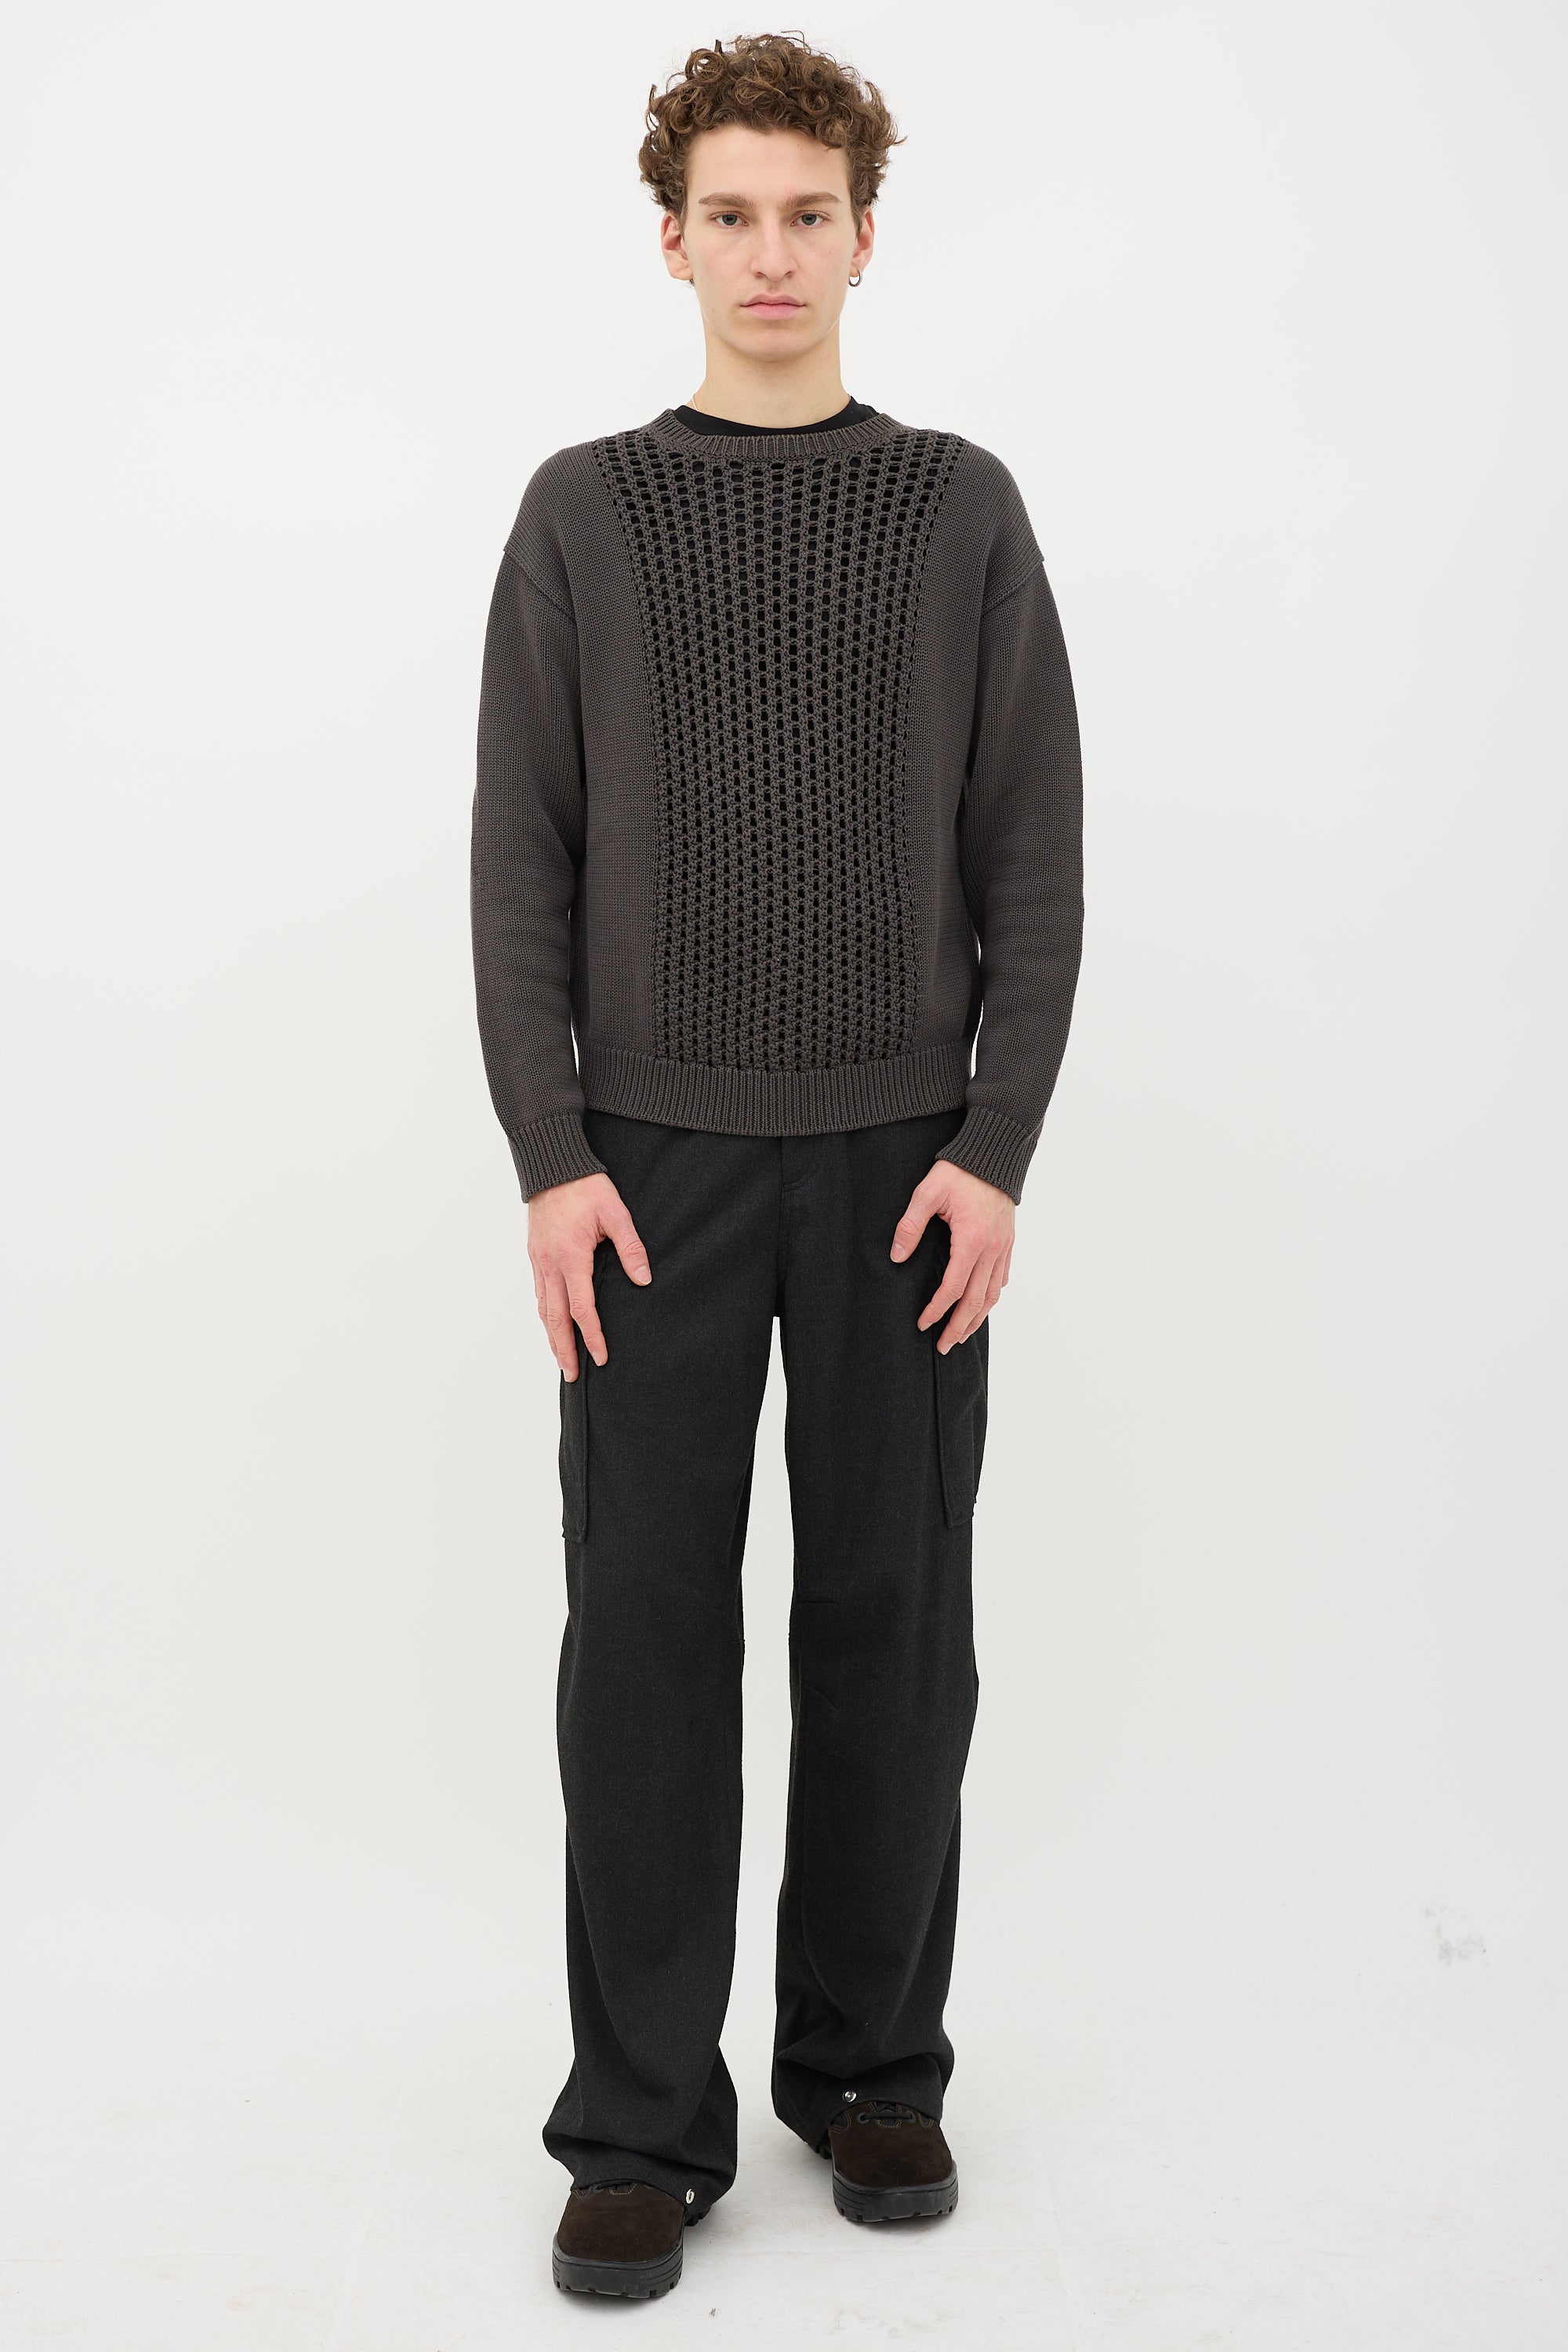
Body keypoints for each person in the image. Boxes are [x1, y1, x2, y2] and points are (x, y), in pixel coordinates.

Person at [470, 30, 1083, 2303]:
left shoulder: (960, 508)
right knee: (641, 1639)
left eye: (806, 213)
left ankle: (869, 2064)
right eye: (728, 214)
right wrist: (551, 1155)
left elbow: (1035, 855)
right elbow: (519, 865)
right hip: (646, 1170)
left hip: (907, 1165)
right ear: (671, 241)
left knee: (897, 1627)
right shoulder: (582, 512)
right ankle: (641, 2119)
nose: (768, 253)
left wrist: (996, 1149)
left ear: (863, 236)